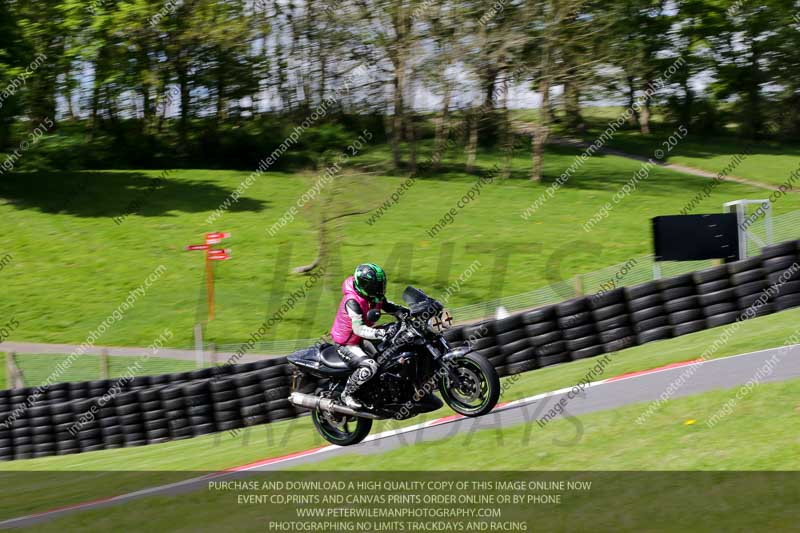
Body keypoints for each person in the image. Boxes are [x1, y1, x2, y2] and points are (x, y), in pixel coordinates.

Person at [330, 263, 407, 409]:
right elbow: (358, 329)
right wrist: (380, 333)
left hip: (362, 339)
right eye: (375, 286)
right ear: (365, 285)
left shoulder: (375, 297)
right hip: (348, 343)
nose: (379, 289)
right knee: (369, 366)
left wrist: (410, 313)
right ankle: (347, 394)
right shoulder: (352, 302)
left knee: (387, 358)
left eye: (381, 284)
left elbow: (392, 308)